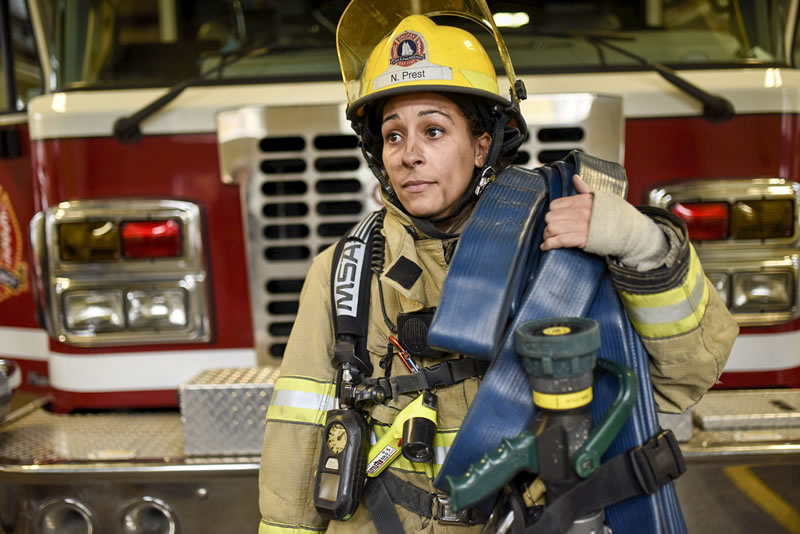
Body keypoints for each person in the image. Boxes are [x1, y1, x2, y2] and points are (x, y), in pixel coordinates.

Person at [258, 1, 739, 533]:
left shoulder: (564, 252)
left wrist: (642, 246)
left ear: (483, 142)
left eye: (434, 131)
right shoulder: (343, 273)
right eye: (393, 135)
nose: (409, 154)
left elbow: (685, 380)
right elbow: (296, 443)